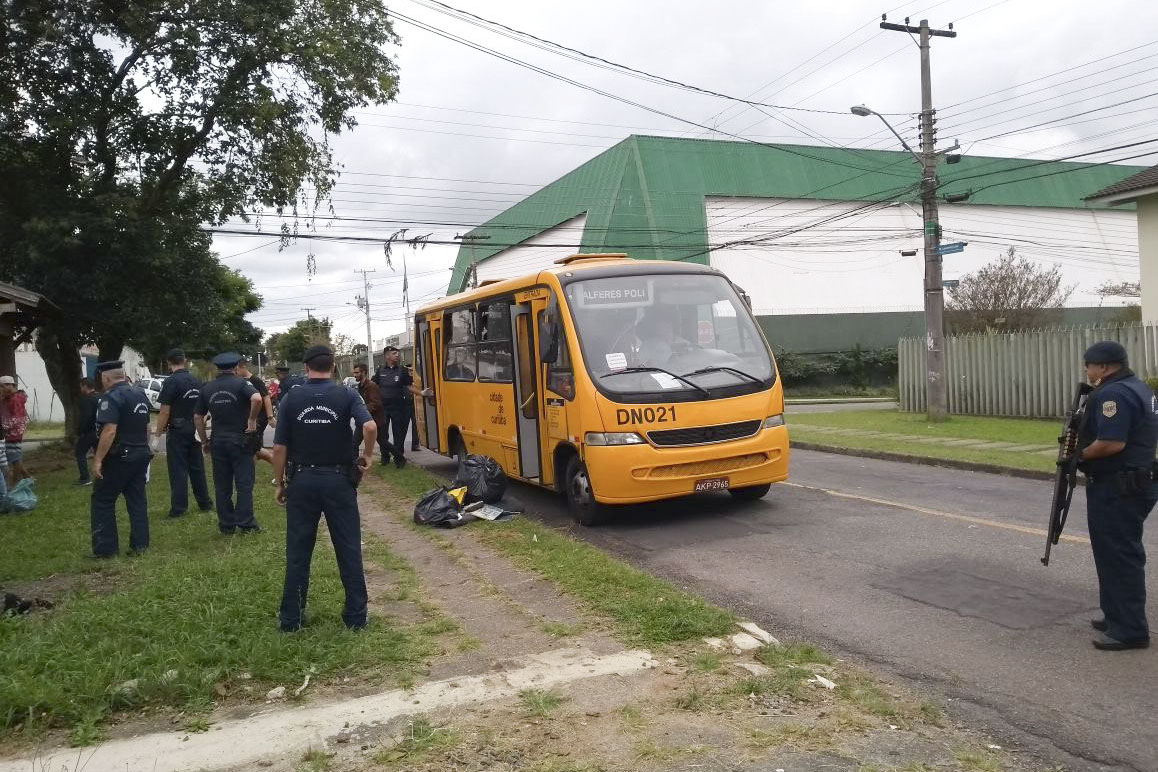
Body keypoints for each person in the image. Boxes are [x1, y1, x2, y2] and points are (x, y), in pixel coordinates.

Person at [272, 344, 377, 632]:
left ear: (306, 368)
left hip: (302, 481)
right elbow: (369, 427)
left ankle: (291, 619)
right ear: (332, 366)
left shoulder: (293, 397)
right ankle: (356, 618)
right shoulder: (346, 393)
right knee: (348, 548)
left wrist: (279, 483)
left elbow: (280, 447)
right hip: (338, 481)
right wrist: (366, 455)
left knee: (298, 551)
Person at [1076, 340, 1157, 651]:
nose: (1087, 369)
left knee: (1120, 555)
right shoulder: (1138, 388)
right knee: (1111, 553)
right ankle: (1116, 616)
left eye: (1090, 364)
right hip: (1133, 480)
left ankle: (1130, 630)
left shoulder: (1113, 394)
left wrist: (1080, 456)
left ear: (1105, 367)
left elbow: (1111, 443)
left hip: (1120, 485)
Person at [88, 361, 153, 558]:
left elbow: (109, 431)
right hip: (140, 453)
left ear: (105, 378)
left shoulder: (111, 397)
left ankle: (105, 550)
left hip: (120, 456)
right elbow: (147, 427)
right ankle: (140, 545)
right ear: (123, 375)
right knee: (137, 500)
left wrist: (98, 459)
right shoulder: (139, 394)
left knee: (102, 499)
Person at [195, 352, 263, 534]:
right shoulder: (242, 384)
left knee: (222, 485)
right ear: (235, 367)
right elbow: (257, 399)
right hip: (240, 440)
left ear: (218, 368)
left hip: (218, 440)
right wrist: (252, 420)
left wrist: (204, 440)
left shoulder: (207, 388)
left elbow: (197, 416)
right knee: (244, 483)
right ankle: (246, 523)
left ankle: (226, 524)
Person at [154, 349, 213, 517]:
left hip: (178, 430)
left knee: (178, 469)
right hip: (194, 428)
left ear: (168, 362)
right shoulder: (196, 380)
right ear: (185, 360)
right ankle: (205, 503)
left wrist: (157, 435)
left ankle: (179, 508)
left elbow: (165, 411)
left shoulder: (171, 382)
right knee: (197, 467)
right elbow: (205, 408)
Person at [373, 346, 413, 468]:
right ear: (387, 356)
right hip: (384, 408)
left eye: (398, 353)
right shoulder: (380, 370)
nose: (397, 355)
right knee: (383, 435)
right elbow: (374, 386)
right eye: (394, 353)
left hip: (398, 407)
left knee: (398, 434)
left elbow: (410, 386)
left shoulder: (402, 370)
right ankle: (385, 457)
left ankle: (399, 458)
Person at [237, 356, 276, 465]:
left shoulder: (255, 380)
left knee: (253, 447)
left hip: (258, 418)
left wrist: (270, 417)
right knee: (254, 447)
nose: (236, 372)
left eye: (237, 370)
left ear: (243, 367)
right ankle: (279, 468)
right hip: (247, 418)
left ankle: (280, 469)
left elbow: (266, 397)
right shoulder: (239, 381)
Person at [1, 375, 29, 486]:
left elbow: (17, 418)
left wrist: (3, 426)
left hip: (13, 433)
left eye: (2, 386)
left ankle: (16, 483)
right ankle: (27, 477)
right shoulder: (8, 398)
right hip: (10, 432)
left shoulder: (15, 399)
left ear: (9, 386)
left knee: (15, 458)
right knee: (12, 456)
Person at [353, 362, 385, 456]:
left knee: (383, 442)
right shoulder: (360, 386)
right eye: (354, 373)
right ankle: (354, 465)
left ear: (363, 372)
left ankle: (399, 458)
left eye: (357, 372)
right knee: (354, 443)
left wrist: (362, 410)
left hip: (374, 420)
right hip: (363, 420)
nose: (355, 375)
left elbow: (376, 404)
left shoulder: (371, 386)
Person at [73, 378, 100, 485]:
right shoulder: (100, 397)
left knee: (80, 452)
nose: (80, 389)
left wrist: (80, 431)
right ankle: (104, 474)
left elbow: (86, 416)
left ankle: (85, 478)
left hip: (89, 431)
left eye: (81, 386)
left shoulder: (86, 399)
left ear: (85, 386)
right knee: (100, 453)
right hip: (100, 430)